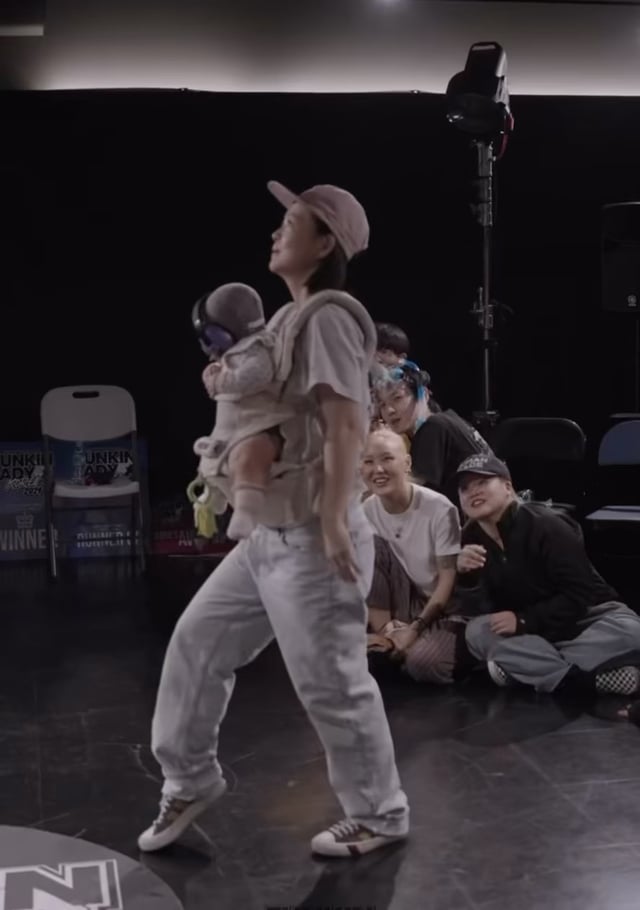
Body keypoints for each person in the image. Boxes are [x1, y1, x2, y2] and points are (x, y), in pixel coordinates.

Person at [138, 181, 409, 859]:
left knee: (332, 682)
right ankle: (190, 778)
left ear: (325, 245)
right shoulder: (289, 321)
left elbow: (348, 423)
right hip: (268, 537)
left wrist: (338, 523)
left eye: (292, 223)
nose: (276, 233)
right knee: (197, 645)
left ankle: (381, 812)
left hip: (314, 540)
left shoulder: (329, 318)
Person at [457, 453, 640, 697]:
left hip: (588, 620)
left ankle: (528, 671)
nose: (473, 492)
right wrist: (467, 578)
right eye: (464, 488)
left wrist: (524, 621)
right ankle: (583, 680)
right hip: (534, 634)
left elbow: (579, 595)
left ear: (508, 487)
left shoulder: (546, 524)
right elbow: (487, 611)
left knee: (631, 632)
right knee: (476, 631)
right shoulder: (470, 539)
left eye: (482, 482)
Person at [361, 427, 472, 684]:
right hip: (402, 600)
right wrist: (388, 630)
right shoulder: (367, 510)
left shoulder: (439, 508)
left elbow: (447, 582)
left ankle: (405, 647)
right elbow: (371, 574)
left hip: (441, 607)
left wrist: (414, 630)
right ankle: (387, 636)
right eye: (368, 461)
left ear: (406, 463)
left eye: (387, 459)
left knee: (423, 664)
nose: (377, 469)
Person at [190, 282, 283, 541]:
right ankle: (214, 499)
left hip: (256, 427)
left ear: (222, 333)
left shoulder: (258, 349)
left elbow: (257, 375)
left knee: (246, 458)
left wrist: (221, 381)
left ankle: (246, 510)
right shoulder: (237, 353)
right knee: (213, 463)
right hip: (231, 428)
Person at [377, 361, 491, 507]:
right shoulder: (447, 420)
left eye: (397, 398)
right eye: (382, 405)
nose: (389, 410)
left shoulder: (433, 428)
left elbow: (409, 495)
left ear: (423, 394)